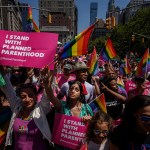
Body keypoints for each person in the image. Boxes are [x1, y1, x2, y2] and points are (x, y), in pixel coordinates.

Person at [41, 66, 93, 149]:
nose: (73, 91)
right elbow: (50, 95)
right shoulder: (62, 105)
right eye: (71, 89)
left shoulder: (87, 108)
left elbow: (93, 127)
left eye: (76, 89)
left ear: (81, 94)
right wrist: (46, 83)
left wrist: (90, 120)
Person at [0, 67, 52, 150]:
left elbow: (47, 95)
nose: (27, 99)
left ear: (36, 96)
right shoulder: (17, 106)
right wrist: (1, 71)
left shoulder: (40, 109)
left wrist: (47, 79)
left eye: (31, 95)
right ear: (19, 98)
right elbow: (7, 88)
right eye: (23, 97)